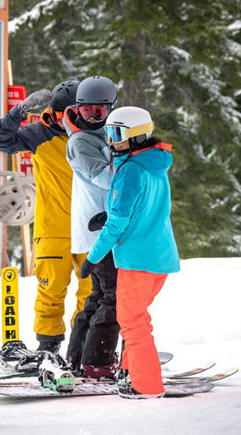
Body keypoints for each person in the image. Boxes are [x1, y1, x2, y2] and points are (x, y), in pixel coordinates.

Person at [82, 106, 181, 399]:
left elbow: (116, 224)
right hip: (160, 258)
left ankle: (146, 384)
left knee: (133, 321)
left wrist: (93, 257)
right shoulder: (154, 164)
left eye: (118, 134)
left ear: (137, 135)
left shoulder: (130, 171)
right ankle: (130, 372)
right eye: (110, 133)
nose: (112, 141)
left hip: (138, 261)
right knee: (133, 318)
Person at [0, 80, 92, 354]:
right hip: (53, 230)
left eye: (70, 113)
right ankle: (48, 350)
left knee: (93, 295)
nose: (64, 121)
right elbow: (1, 140)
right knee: (50, 294)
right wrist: (19, 111)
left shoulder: (96, 135)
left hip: (93, 232)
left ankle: (85, 348)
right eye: (58, 114)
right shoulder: (40, 134)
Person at [62, 76, 121, 378]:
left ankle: (78, 358)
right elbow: (106, 178)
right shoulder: (80, 141)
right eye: (87, 111)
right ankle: (97, 361)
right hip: (98, 231)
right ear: (78, 109)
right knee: (115, 296)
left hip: (103, 230)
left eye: (100, 111)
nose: (94, 117)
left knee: (98, 296)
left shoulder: (109, 135)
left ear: (112, 108)